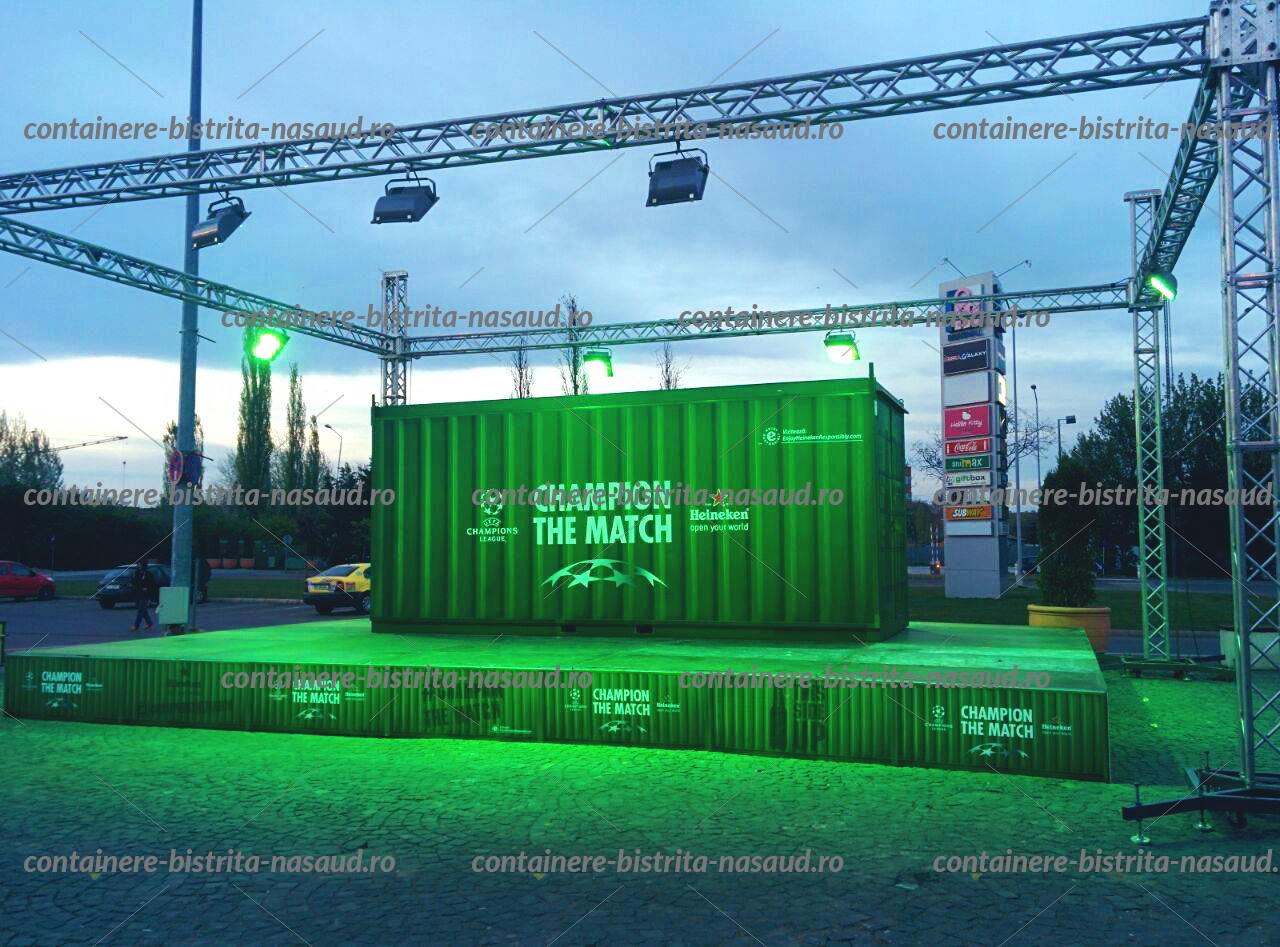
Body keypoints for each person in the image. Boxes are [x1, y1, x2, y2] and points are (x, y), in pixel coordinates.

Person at [130, 564, 155, 633]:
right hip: (138, 594)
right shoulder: (136, 573)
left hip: (146, 595)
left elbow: (152, 584)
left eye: (140, 565)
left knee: (141, 611)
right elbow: (134, 583)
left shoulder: (149, 574)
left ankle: (136, 626)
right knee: (143, 610)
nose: (139, 567)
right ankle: (149, 623)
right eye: (138, 565)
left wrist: (147, 589)